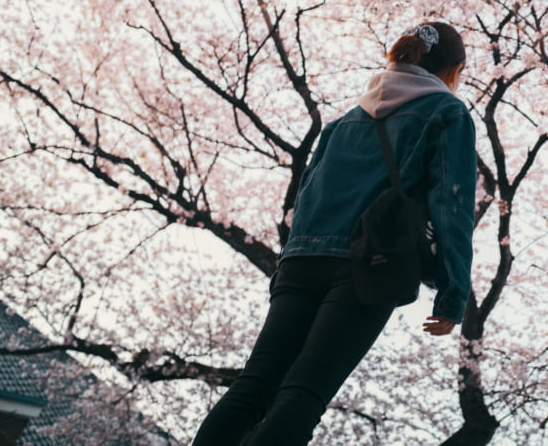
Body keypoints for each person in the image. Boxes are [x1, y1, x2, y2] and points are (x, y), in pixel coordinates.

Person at [192, 22, 476, 446]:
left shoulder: (342, 122)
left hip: (301, 261)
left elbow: (307, 196)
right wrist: (453, 293)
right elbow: (452, 204)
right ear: (454, 69)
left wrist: (288, 266)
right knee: (303, 395)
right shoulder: (447, 113)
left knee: (253, 388)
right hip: (368, 267)